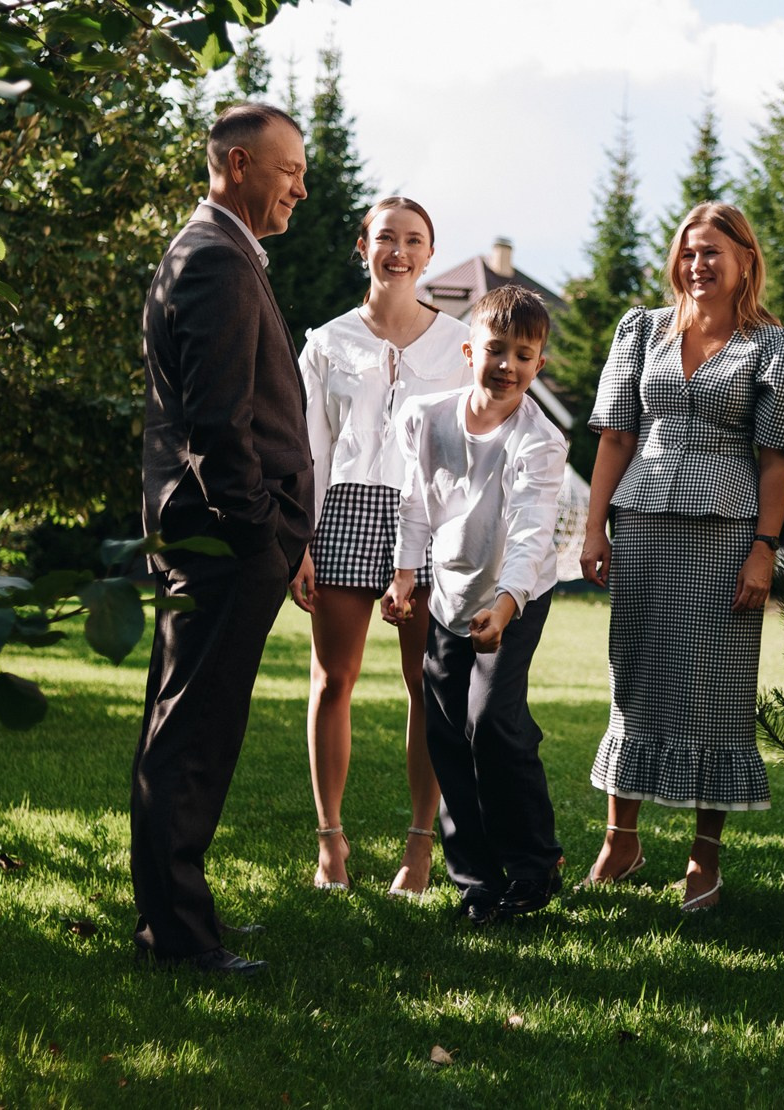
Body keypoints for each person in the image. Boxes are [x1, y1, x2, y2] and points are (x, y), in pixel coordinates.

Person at [577, 202, 784, 911]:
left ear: (745, 258)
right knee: (637, 679)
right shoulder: (642, 330)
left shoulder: (776, 346)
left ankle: (703, 861)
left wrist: (765, 550)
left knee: (715, 694)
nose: (698, 264)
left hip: (725, 535)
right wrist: (595, 530)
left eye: (713, 251)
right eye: (688, 251)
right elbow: (615, 437)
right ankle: (621, 841)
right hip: (642, 524)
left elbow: (776, 464)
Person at [132, 102, 313, 976]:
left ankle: (176, 919)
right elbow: (217, 424)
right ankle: (179, 937)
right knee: (192, 737)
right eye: (288, 173)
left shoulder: (217, 252)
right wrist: (261, 532)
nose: (299, 191)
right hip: (222, 540)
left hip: (219, 538)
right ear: (238, 166)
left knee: (188, 727)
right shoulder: (214, 261)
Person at [290, 197, 469, 895]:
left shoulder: (459, 343)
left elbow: (472, 444)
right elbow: (311, 448)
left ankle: (419, 851)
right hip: (341, 515)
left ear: (429, 254)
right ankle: (330, 845)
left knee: (427, 687)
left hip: (425, 522)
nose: (399, 251)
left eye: (413, 240)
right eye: (385, 238)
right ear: (361, 247)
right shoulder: (327, 342)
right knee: (333, 681)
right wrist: (300, 541)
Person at [382, 285, 569, 925]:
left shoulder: (539, 442)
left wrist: (507, 605)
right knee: (443, 730)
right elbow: (413, 502)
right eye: (495, 349)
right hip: (450, 591)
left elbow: (529, 532)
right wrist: (407, 576)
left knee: (490, 721)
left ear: (538, 365)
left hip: (516, 596)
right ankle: (476, 879)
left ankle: (535, 866)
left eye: (524, 355)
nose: (507, 365)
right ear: (470, 351)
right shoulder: (427, 418)